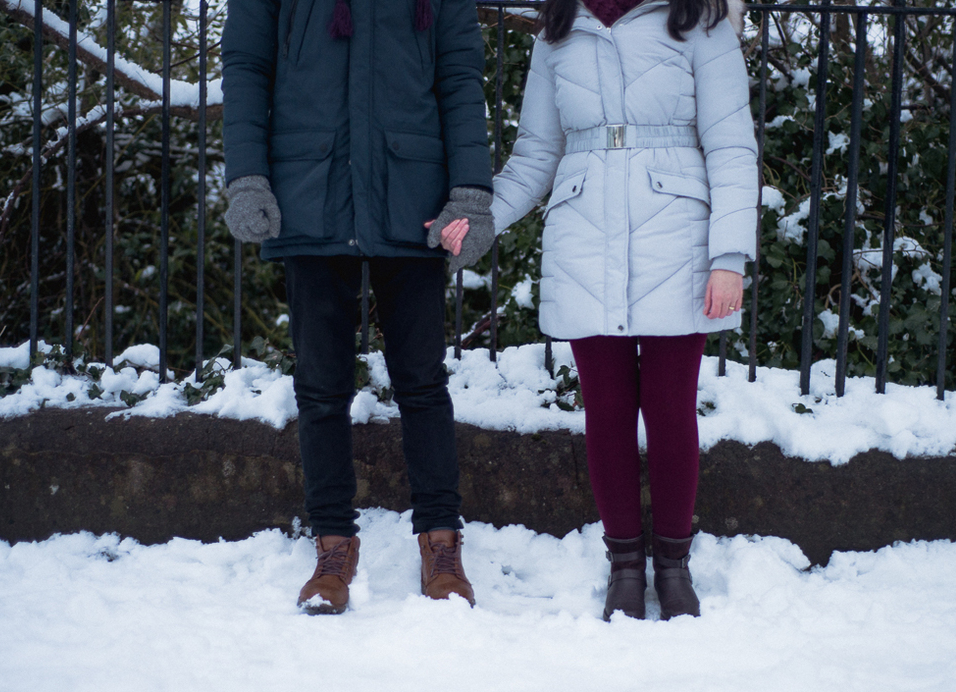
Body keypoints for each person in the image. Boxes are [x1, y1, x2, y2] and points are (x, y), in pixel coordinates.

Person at [434, 0, 755, 620]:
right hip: (583, 236)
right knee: (606, 411)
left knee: (669, 411)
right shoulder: (558, 30)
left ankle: (673, 564)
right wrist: (481, 222)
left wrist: (730, 256)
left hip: (679, 238)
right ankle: (625, 567)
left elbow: (732, 146)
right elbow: (534, 155)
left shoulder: (699, 20)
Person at [221, 0, 496, 614]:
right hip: (309, 188)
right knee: (320, 385)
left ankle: (441, 545)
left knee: (423, 381)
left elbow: (458, 73)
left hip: (412, 190)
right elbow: (245, 65)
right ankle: (333, 548)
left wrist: (471, 191)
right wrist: (246, 176)